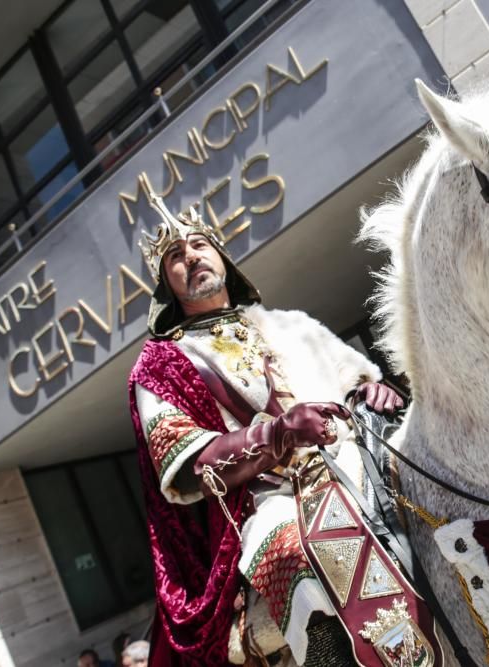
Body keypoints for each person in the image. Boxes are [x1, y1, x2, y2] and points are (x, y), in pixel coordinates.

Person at [127, 192, 404, 665]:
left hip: (358, 461)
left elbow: (356, 384)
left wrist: (373, 393)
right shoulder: (161, 366)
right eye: (175, 256)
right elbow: (191, 467)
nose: (190, 255)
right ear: (165, 283)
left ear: (222, 258)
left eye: (199, 245)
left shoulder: (292, 324)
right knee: (303, 557)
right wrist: (280, 434)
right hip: (271, 502)